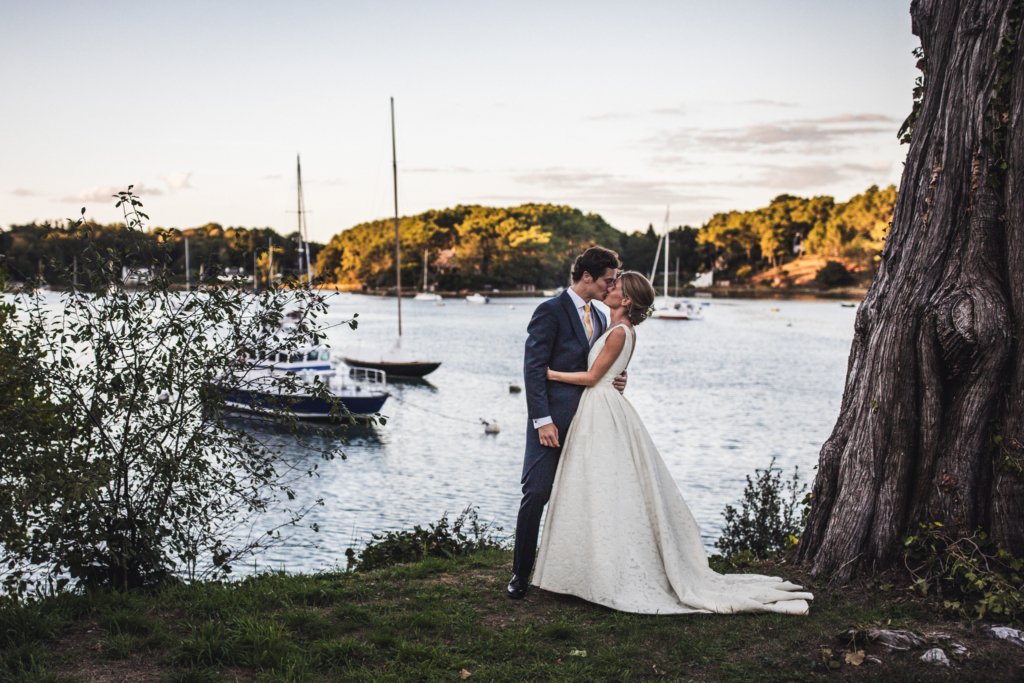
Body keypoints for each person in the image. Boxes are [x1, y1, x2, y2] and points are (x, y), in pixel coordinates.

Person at [532, 271, 813, 615]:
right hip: (600, 408)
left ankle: (606, 571)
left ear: (626, 300)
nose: (609, 288)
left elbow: (593, 377)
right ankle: (588, 566)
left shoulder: (620, 332)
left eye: (616, 286)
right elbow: (605, 372)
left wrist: (550, 374)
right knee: (597, 487)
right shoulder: (613, 326)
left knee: (604, 485)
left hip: (601, 410)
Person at [508, 246, 624, 600]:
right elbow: (533, 369)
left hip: (589, 424)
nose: (612, 286)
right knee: (537, 494)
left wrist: (617, 380)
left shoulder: (602, 319)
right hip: (551, 424)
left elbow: (597, 369)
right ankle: (519, 574)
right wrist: (541, 420)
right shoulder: (550, 311)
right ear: (587, 276)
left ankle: (574, 575)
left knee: (582, 497)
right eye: (607, 279)